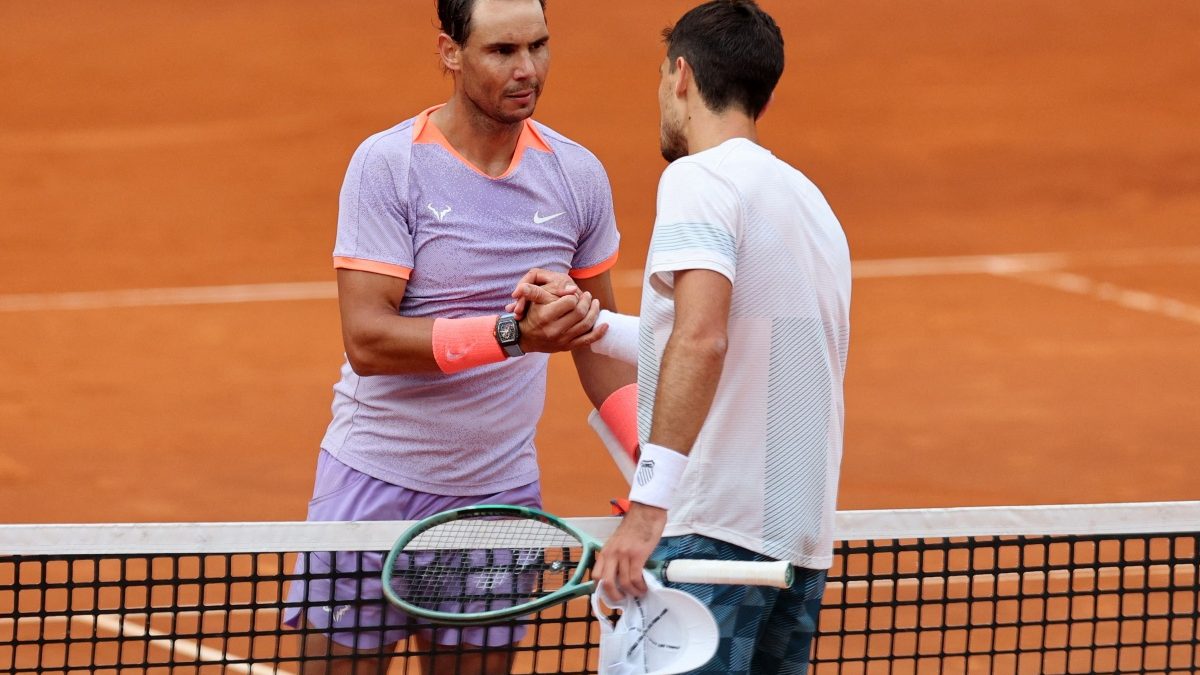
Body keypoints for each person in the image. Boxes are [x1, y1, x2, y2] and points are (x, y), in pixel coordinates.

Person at [284, 0, 635, 673]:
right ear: (451, 53)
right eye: (503, 51)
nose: (527, 69)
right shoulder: (390, 167)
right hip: (372, 489)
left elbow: (596, 340)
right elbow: (369, 341)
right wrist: (514, 335)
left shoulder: (576, 176)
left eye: (539, 46)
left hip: (496, 502)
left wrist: (652, 471)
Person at [587, 1, 853, 672]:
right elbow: (728, 339)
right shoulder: (809, 203)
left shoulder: (696, 179)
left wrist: (647, 507)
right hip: (793, 547)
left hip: (707, 540)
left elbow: (702, 338)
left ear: (681, 75)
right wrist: (588, 325)